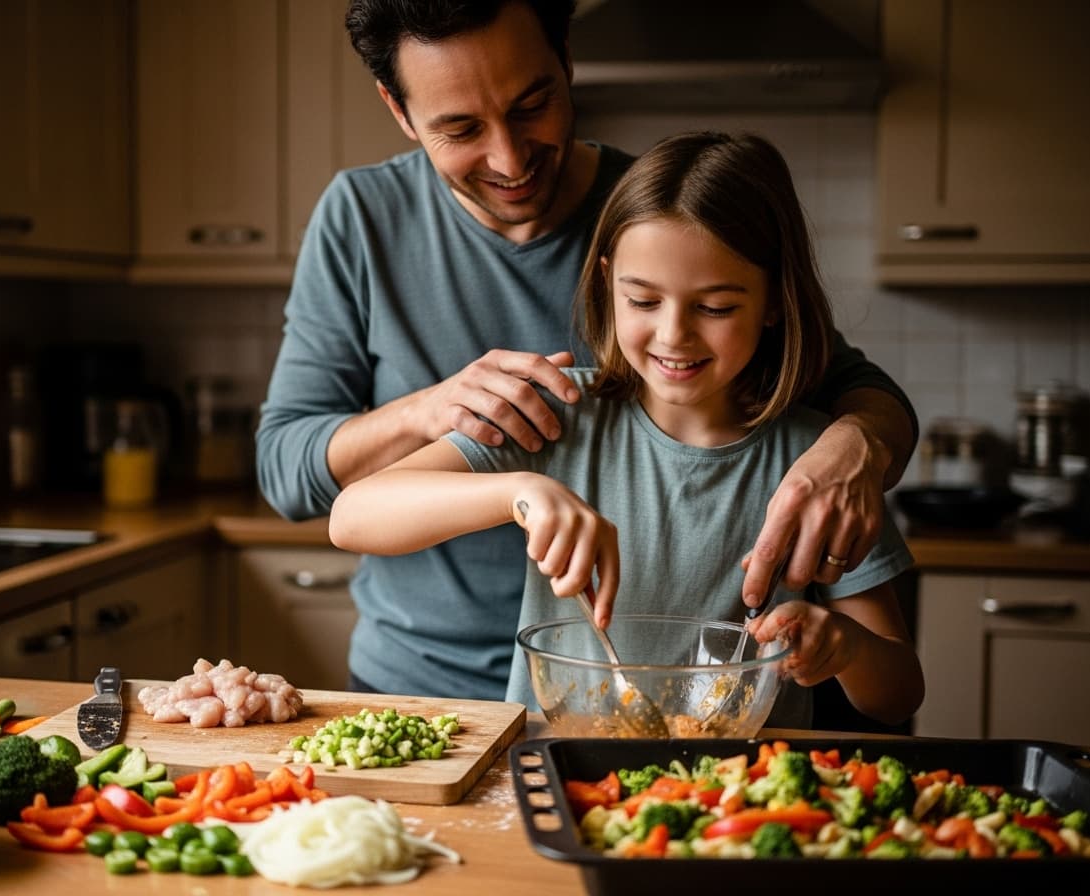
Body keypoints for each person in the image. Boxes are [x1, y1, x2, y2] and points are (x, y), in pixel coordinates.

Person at [256, 0, 918, 702]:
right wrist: (434, 414)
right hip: (422, 681)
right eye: (460, 128)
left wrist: (860, 446)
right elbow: (296, 475)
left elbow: (849, 385)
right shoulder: (362, 217)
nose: (509, 159)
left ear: (566, 59)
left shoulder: (662, 212)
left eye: (532, 104)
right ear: (399, 109)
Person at [329, 131, 925, 727]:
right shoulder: (560, 414)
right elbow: (353, 515)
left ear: (774, 300)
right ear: (608, 282)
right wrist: (521, 493)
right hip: (554, 774)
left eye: (715, 307)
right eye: (642, 301)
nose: (674, 335)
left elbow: (899, 694)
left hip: (735, 796)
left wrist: (843, 645)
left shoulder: (820, 467)